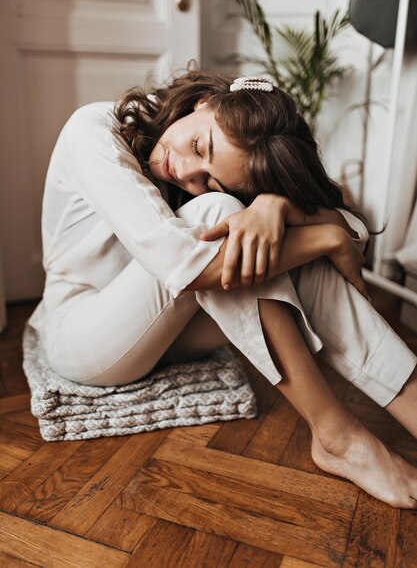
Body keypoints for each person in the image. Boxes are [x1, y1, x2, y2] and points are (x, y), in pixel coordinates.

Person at [27, 69, 417, 509]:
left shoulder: (229, 167)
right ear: (204, 103)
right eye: (199, 146)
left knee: (257, 239)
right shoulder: (92, 131)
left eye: (213, 177)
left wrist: (275, 205)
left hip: (170, 331)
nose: (190, 174)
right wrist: (324, 237)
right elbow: (186, 266)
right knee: (222, 220)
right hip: (84, 336)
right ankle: (338, 436)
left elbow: (353, 230)